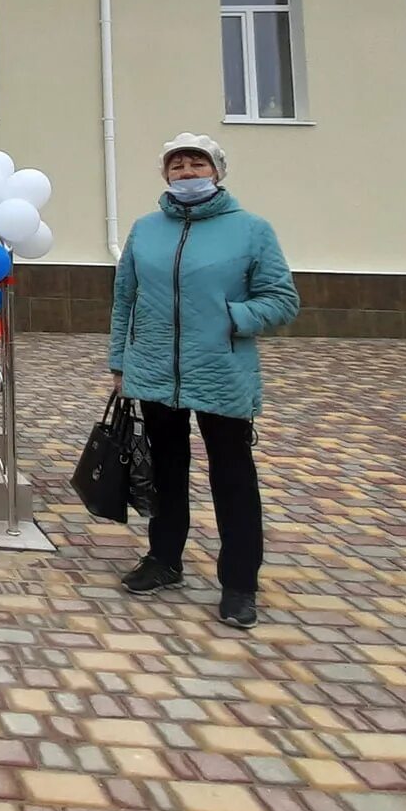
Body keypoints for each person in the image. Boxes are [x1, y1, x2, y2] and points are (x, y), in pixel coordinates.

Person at [108, 133, 298, 629]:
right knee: (166, 473)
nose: (187, 172)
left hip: (221, 370)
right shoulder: (145, 230)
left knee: (232, 477)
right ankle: (164, 561)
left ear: (216, 172)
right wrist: (118, 363)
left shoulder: (251, 230)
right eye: (178, 165)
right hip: (152, 369)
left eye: (197, 164)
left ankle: (239, 584)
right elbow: (123, 298)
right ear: (165, 175)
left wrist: (231, 317)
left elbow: (282, 299)